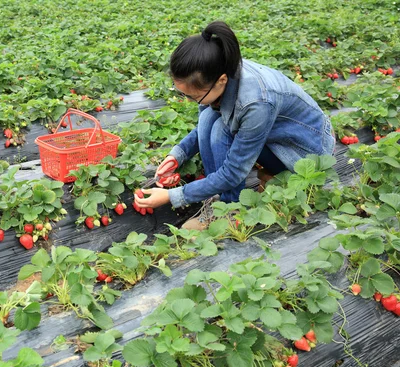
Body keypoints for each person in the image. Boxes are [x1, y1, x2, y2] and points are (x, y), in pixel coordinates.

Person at [135, 20, 335, 229]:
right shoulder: (218, 69)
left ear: (221, 80)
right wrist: (178, 154)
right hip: (276, 136)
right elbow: (203, 124)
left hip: (305, 153)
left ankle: (231, 208)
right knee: (207, 119)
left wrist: (172, 195)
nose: (189, 100)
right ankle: (220, 199)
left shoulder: (256, 102)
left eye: (193, 96)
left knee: (221, 132)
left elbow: (233, 172)